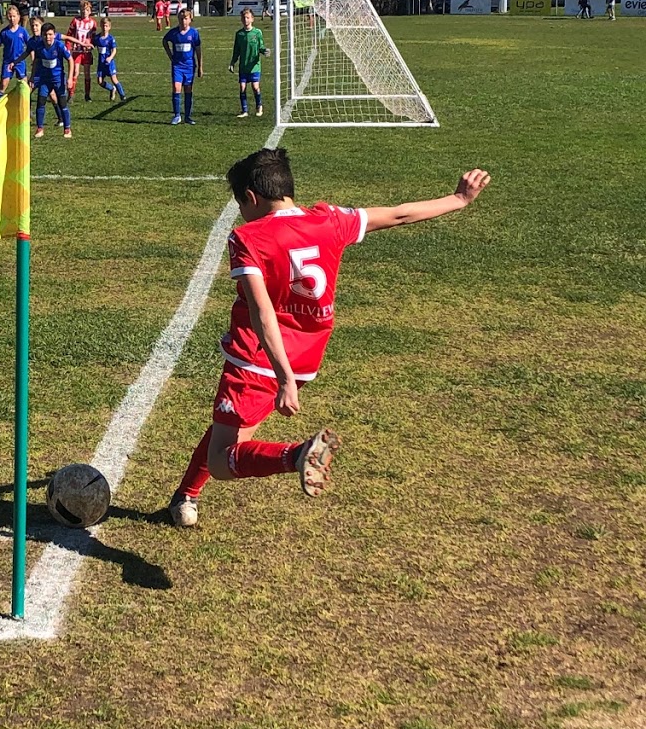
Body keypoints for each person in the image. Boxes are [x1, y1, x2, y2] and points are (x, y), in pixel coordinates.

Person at [167, 149, 492, 527]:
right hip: (306, 356)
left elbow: (261, 312)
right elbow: (400, 213)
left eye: (240, 204)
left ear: (251, 198)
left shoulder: (248, 237)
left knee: (224, 460)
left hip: (258, 359)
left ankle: (300, 454)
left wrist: (282, 376)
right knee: (227, 432)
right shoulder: (330, 220)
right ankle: (184, 497)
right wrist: (458, 199)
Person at [31, 22, 73, 139]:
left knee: (62, 103)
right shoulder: (39, 46)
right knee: (40, 102)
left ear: (54, 35)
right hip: (45, 80)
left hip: (58, 80)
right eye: (45, 35)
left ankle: (67, 129)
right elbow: (36, 61)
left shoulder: (59, 46)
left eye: (50, 34)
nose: (47, 37)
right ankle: (40, 129)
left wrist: (69, 78)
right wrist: (32, 77)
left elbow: (70, 60)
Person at [162, 6, 203, 125]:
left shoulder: (194, 33)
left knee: (188, 90)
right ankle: (177, 115)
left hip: (189, 66)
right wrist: (170, 55)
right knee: (176, 87)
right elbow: (164, 41)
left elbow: (198, 50)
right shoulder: (174, 33)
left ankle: (188, 116)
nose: (183, 21)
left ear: (190, 19)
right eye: (181, 19)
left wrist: (200, 66)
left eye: (185, 19)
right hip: (177, 66)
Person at [229, 7, 267, 118]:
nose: (245, 20)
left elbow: (261, 46)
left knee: (255, 87)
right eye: (243, 18)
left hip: (254, 66)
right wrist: (232, 62)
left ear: (252, 19)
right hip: (243, 66)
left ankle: (259, 106)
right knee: (242, 87)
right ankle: (244, 110)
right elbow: (236, 50)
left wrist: (265, 51)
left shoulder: (257, 32)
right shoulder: (239, 34)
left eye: (247, 17)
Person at [0, 5, 31, 99]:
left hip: (20, 62)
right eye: (10, 16)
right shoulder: (4, 32)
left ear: (18, 17)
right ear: (7, 17)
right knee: (3, 84)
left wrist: (33, 58)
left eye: (14, 16)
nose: (12, 18)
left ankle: (26, 109)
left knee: (24, 86)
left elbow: (30, 46)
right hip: (8, 62)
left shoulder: (23, 31)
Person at [66, 0, 97, 101]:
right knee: (75, 72)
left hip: (86, 52)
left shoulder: (93, 23)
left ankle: (87, 95)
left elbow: (93, 37)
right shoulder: (75, 21)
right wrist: (68, 47)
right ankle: (71, 94)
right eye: (83, 9)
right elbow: (69, 35)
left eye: (87, 10)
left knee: (87, 73)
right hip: (76, 51)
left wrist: (91, 44)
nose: (85, 11)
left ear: (90, 11)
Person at [94, 18, 126, 101]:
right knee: (100, 82)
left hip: (109, 63)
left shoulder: (111, 39)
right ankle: (112, 89)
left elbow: (114, 50)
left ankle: (123, 96)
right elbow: (92, 45)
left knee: (114, 79)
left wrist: (110, 57)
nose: (104, 27)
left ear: (109, 27)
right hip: (101, 63)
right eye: (103, 25)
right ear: (100, 26)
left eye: (106, 26)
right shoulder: (97, 38)